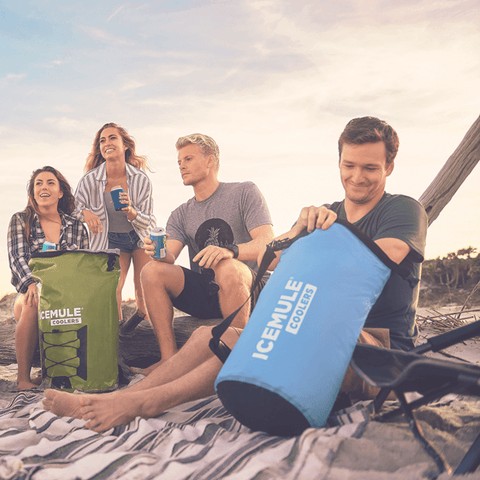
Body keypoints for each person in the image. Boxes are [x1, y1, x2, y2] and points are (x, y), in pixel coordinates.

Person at [43, 116, 428, 431]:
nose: (357, 176)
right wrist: (296, 233)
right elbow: (273, 260)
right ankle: (112, 399)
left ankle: (143, 403)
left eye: (370, 168)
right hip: (311, 328)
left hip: (377, 347)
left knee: (247, 339)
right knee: (205, 338)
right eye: (349, 165)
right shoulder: (322, 213)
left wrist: (311, 239)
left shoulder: (403, 210)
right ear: (339, 162)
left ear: (389, 167)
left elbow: (373, 259)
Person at [135, 133, 274, 365]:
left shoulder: (244, 192)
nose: (181, 166)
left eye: (188, 159)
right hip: (208, 293)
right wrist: (156, 251)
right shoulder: (180, 213)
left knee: (227, 266)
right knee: (151, 271)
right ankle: (169, 360)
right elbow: (169, 255)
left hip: (249, 288)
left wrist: (230, 250)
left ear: (210, 161)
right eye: (179, 162)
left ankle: (233, 355)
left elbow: (266, 243)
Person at [7, 166, 89, 391]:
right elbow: (17, 259)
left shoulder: (77, 227)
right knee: (34, 302)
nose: (44, 187)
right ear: (33, 193)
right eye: (39, 183)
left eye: (50, 182)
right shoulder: (21, 220)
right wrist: (31, 283)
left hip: (66, 296)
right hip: (29, 294)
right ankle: (23, 378)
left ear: (60, 192)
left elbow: (82, 265)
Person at [74, 122, 156, 323]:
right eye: (102, 140)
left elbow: (149, 219)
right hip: (111, 240)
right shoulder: (89, 180)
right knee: (113, 288)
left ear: (125, 145)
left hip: (140, 238)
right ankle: (118, 333)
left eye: (112, 138)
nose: (107, 143)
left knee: (144, 289)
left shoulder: (140, 179)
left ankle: (144, 325)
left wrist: (131, 212)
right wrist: (86, 213)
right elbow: (72, 210)